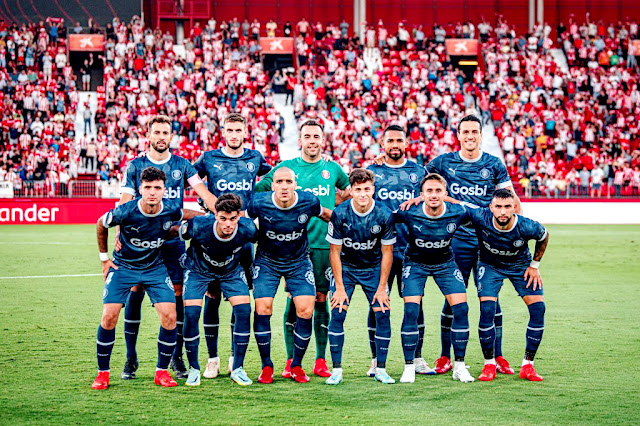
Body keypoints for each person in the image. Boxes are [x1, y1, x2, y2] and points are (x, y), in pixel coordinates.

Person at [118, 115, 217, 381]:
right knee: (135, 291)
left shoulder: (182, 165)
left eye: (166, 132)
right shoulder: (135, 166)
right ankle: (131, 357)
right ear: (148, 135)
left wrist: (221, 209)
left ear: (171, 136)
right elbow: (125, 201)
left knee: (178, 294)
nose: (161, 136)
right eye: (157, 132)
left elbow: (203, 192)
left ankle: (176, 356)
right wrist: (119, 232)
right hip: (140, 242)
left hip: (172, 241)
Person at [423, 114, 521, 375]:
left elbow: (512, 200)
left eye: (474, 132)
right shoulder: (443, 162)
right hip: (456, 240)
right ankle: (445, 356)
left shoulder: (494, 164)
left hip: (488, 241)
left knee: (491, 299)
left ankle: (497, 356)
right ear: (458, 135)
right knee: (453, 298)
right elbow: (415, 178)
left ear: (480, 134)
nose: (470, 136)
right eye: (465, 131)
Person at [91, 167, 202, 390]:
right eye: (148, 187)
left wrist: (213, 216)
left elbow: (188, 214)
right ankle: (103, 373)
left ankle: (161, 372)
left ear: (164, 190)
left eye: (157, 188)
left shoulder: (170, 210)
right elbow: (100, 224)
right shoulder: (125, 211)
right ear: (140, 189)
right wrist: (104, 259)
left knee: (170, 315)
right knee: (109, 316)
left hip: (154, 268)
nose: (152, 192)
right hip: (123, 267)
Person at [255, 119, 350, 379]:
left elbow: (349, 191)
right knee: (292, 301)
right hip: (291, 247)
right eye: (307, 136)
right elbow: (260, 191)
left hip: (322, 244)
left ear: (322, 140)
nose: (311, 141)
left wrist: (341, 206)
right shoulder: (285, 169)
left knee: (320, 300)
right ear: (300, 140)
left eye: (316, 137)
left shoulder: (333, 169)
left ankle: (320, 359)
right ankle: (290, 360)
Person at [193, 113, 272, 378]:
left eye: (239, 130)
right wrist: (206, 201)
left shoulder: (255, 157)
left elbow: (277, 176)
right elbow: (189, 178)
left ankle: (233, 358)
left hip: (244, 236)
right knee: (212, 297)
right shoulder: (209, 158)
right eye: (230, 130)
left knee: (241, 299)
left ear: (245, 131)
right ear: (223, 132)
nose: (234, 134)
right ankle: (212, 358)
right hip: (217, 235)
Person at [247, 167, 332, 384]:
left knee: (306, 309)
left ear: (295, 184)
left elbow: (327, 216)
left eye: (288, 182)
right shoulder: (258, 202)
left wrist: (347, 226)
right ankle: (266, 366)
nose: (284, 186)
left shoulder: (309, 201)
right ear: (272, 185)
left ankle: (296, 365)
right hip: (267, 262)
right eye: (279, 182)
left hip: (298, 262)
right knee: (263, 308)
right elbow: (240, 220)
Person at [393, 174, 474, 383]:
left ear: (445, 194)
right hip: (414, 263)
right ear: (421, 195)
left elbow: (484, 215)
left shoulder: (458, 211)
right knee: (411, 309)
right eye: (429, 191)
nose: (434, 195)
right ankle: (409, 366)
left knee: (461, 309)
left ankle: (459, 366)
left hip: (445, 264)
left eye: (438, 191)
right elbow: (382, 219)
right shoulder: (409, 210)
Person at [173, 194, 258, 386]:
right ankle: (194, 369)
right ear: (215, 215)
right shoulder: (198, 226)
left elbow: (251, 250)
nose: (228, 224)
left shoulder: (249, 229)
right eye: (223, 218)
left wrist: (250, 275)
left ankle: (237, 368)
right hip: (198, 271)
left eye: (233, 219)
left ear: (239, 216)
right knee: (192, 313)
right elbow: (177, 234)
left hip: (230, 271)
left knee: (244, 310)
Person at [367, 124, 431, 376]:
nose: (395, 145)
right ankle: (375, 359)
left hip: (411, 250)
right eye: (390, 140)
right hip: (378, 249)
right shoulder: (371, 171)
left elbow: (431, 201)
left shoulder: (419, 172)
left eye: (399, 140)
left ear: (406, 143)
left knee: (414, 304)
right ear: (383, 144)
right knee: (378, 303)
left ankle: (417, 358)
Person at [466, 189, 549, 381]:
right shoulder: (481, 216)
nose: (503, 212)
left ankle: (528, 366)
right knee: (487, 310)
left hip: (520, 267)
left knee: (538, 310)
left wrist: (534, 265)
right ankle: (489, 365)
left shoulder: (527, 226)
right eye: (498, 207)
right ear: (491, 207)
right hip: (490, 266)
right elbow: (455, 207)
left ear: (515, 208)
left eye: (507, 207)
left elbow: (544, 236)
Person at [325, 169, 396, 385]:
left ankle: (380, 369)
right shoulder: (341, 213)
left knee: (383, 313)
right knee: (337, 313)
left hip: (373, 268)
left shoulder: (384, 214)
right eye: (358, 190)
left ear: (373, 189)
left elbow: (387, 253)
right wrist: (339, 286)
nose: (363, 194)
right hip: (346, 268)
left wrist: (382, 287)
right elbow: (334, 252)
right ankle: (336, 370)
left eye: (367, 189)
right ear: (351, 191)